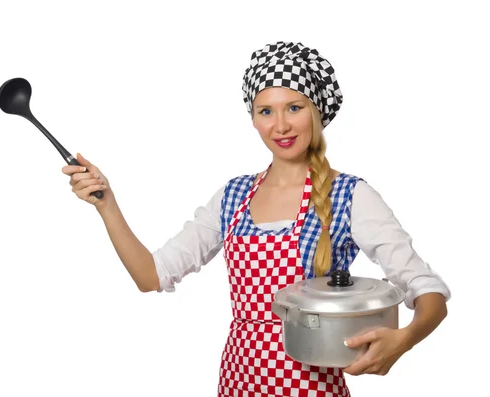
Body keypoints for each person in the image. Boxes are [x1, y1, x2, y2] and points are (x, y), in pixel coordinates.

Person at [62, 41, 450, 397]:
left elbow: (426, 289)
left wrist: (405, 338)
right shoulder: (232, 197)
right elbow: (151, 276)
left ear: (316, 113)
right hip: (238, 381)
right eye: (266, 111)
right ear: (253, 119)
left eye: (294, 108)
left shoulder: (349, 195)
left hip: (311, 388)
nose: (280, 126)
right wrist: (107, 204)